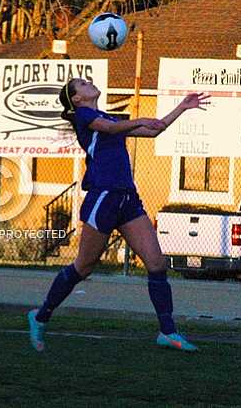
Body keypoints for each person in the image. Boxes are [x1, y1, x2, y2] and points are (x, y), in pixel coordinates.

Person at [28, 78, 210, 353]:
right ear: (76, 99)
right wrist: (138, 120)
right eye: (82, 84)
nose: (89, 83)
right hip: (103, 197)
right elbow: (114, 128)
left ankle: (168, 331)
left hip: (126, 198)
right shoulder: (84, 115)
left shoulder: (104, 116)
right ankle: (40, 316)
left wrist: (182, 108)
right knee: (83, 267)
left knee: (157, 264)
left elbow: (153, 132)